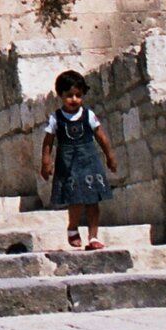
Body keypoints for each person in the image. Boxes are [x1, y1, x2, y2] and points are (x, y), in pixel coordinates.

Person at [40, 69, 119, 249]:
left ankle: (93, 237)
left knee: (92, 199)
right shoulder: (55, 118)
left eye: (78, 95)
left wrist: (110, 156)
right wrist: (46, 162)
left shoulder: (88, 115)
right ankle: (73, 227)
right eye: (69, 95)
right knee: (75, 198)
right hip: (68, 162)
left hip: (89, 160)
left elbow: (100, 135)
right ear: (60, 95)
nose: (74, 99)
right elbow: (48, 141)